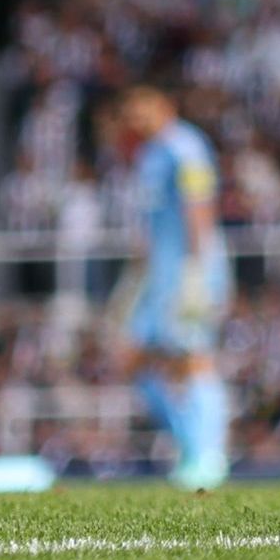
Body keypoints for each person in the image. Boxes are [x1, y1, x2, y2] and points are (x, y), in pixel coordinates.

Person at [103, 84, 234, 490]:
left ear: (166, 106)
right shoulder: (148, 156)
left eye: (144, 110)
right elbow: (150, 224)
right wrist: (132, 280)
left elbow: (200, 209)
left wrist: (197, 270)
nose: (138, 119)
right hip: (158, 275)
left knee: (193, 356)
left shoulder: (187, 147)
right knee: (127, 356)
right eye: (132, 114)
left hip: (189, 269)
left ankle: (209, 455)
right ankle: (190, 445)